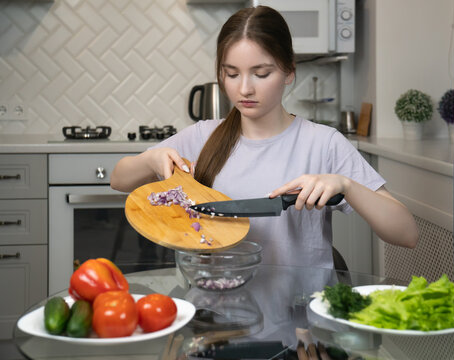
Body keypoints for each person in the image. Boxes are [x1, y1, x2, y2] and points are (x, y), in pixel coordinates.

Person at [111, 6, 418, 268]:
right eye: (232, 74)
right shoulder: (203, 137)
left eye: (261, 74)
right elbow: (119, 180)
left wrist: (346, 185)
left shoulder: (323, 143)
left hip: (301, 328)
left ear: (288, 72)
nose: (244, 89)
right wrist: (151, 158)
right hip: (216, 321)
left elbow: (406, 233)